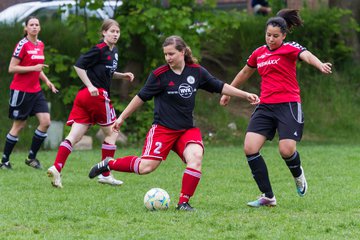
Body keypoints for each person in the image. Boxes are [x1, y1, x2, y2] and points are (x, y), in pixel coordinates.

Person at [88, 35, 260, 211]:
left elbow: (219, 86)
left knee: (196, 158)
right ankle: (109, 163)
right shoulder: (159, 75)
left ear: (182, 52)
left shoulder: (196, 71)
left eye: (171, 53)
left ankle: (183, 203)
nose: (168, 58)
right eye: (165, 54)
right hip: (163, 129)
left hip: (186, 130)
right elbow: (140, 97)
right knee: (145, 167)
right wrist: (122, 117)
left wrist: (244, 94)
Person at [220, 9, 332, 207]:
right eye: (268, 35)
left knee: (286, 149)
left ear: (284, 35)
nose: (271, 39)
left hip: (288, 104)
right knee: (250, 147)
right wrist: (229, 91)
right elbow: (245, 72)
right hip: (265, 106)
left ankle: (298, 175)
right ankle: (268, 196)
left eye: (275, 36)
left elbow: (306, 55)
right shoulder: (259, 53)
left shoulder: (290, 48)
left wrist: (320, 65)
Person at [47, 19, 134, 188]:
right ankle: (106, 174)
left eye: (117, 32)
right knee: (112, 132)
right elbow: (79, 66)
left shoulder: (114, 51)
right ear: (103, 33)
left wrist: (122, 75)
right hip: (96, 95)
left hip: (84, 97)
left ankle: (57, 167)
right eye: (112, 31)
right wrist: (90, 85)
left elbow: (106, 71)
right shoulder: (99, 49)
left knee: (75, 136)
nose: (115, 34)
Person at [0, 16, 58, 170]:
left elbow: (38, 67)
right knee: (19, 125)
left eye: (36, 25)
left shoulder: (40, 44)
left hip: (36, 90)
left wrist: (47, 81)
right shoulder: (22, 45)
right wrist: (33, 68)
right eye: (31, 25)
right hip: (21, 91)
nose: (34, 27)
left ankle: (31, 158)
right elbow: (12, 68)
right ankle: (4, 161)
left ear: (40, 28)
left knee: (45, 122)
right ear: (26, 28)